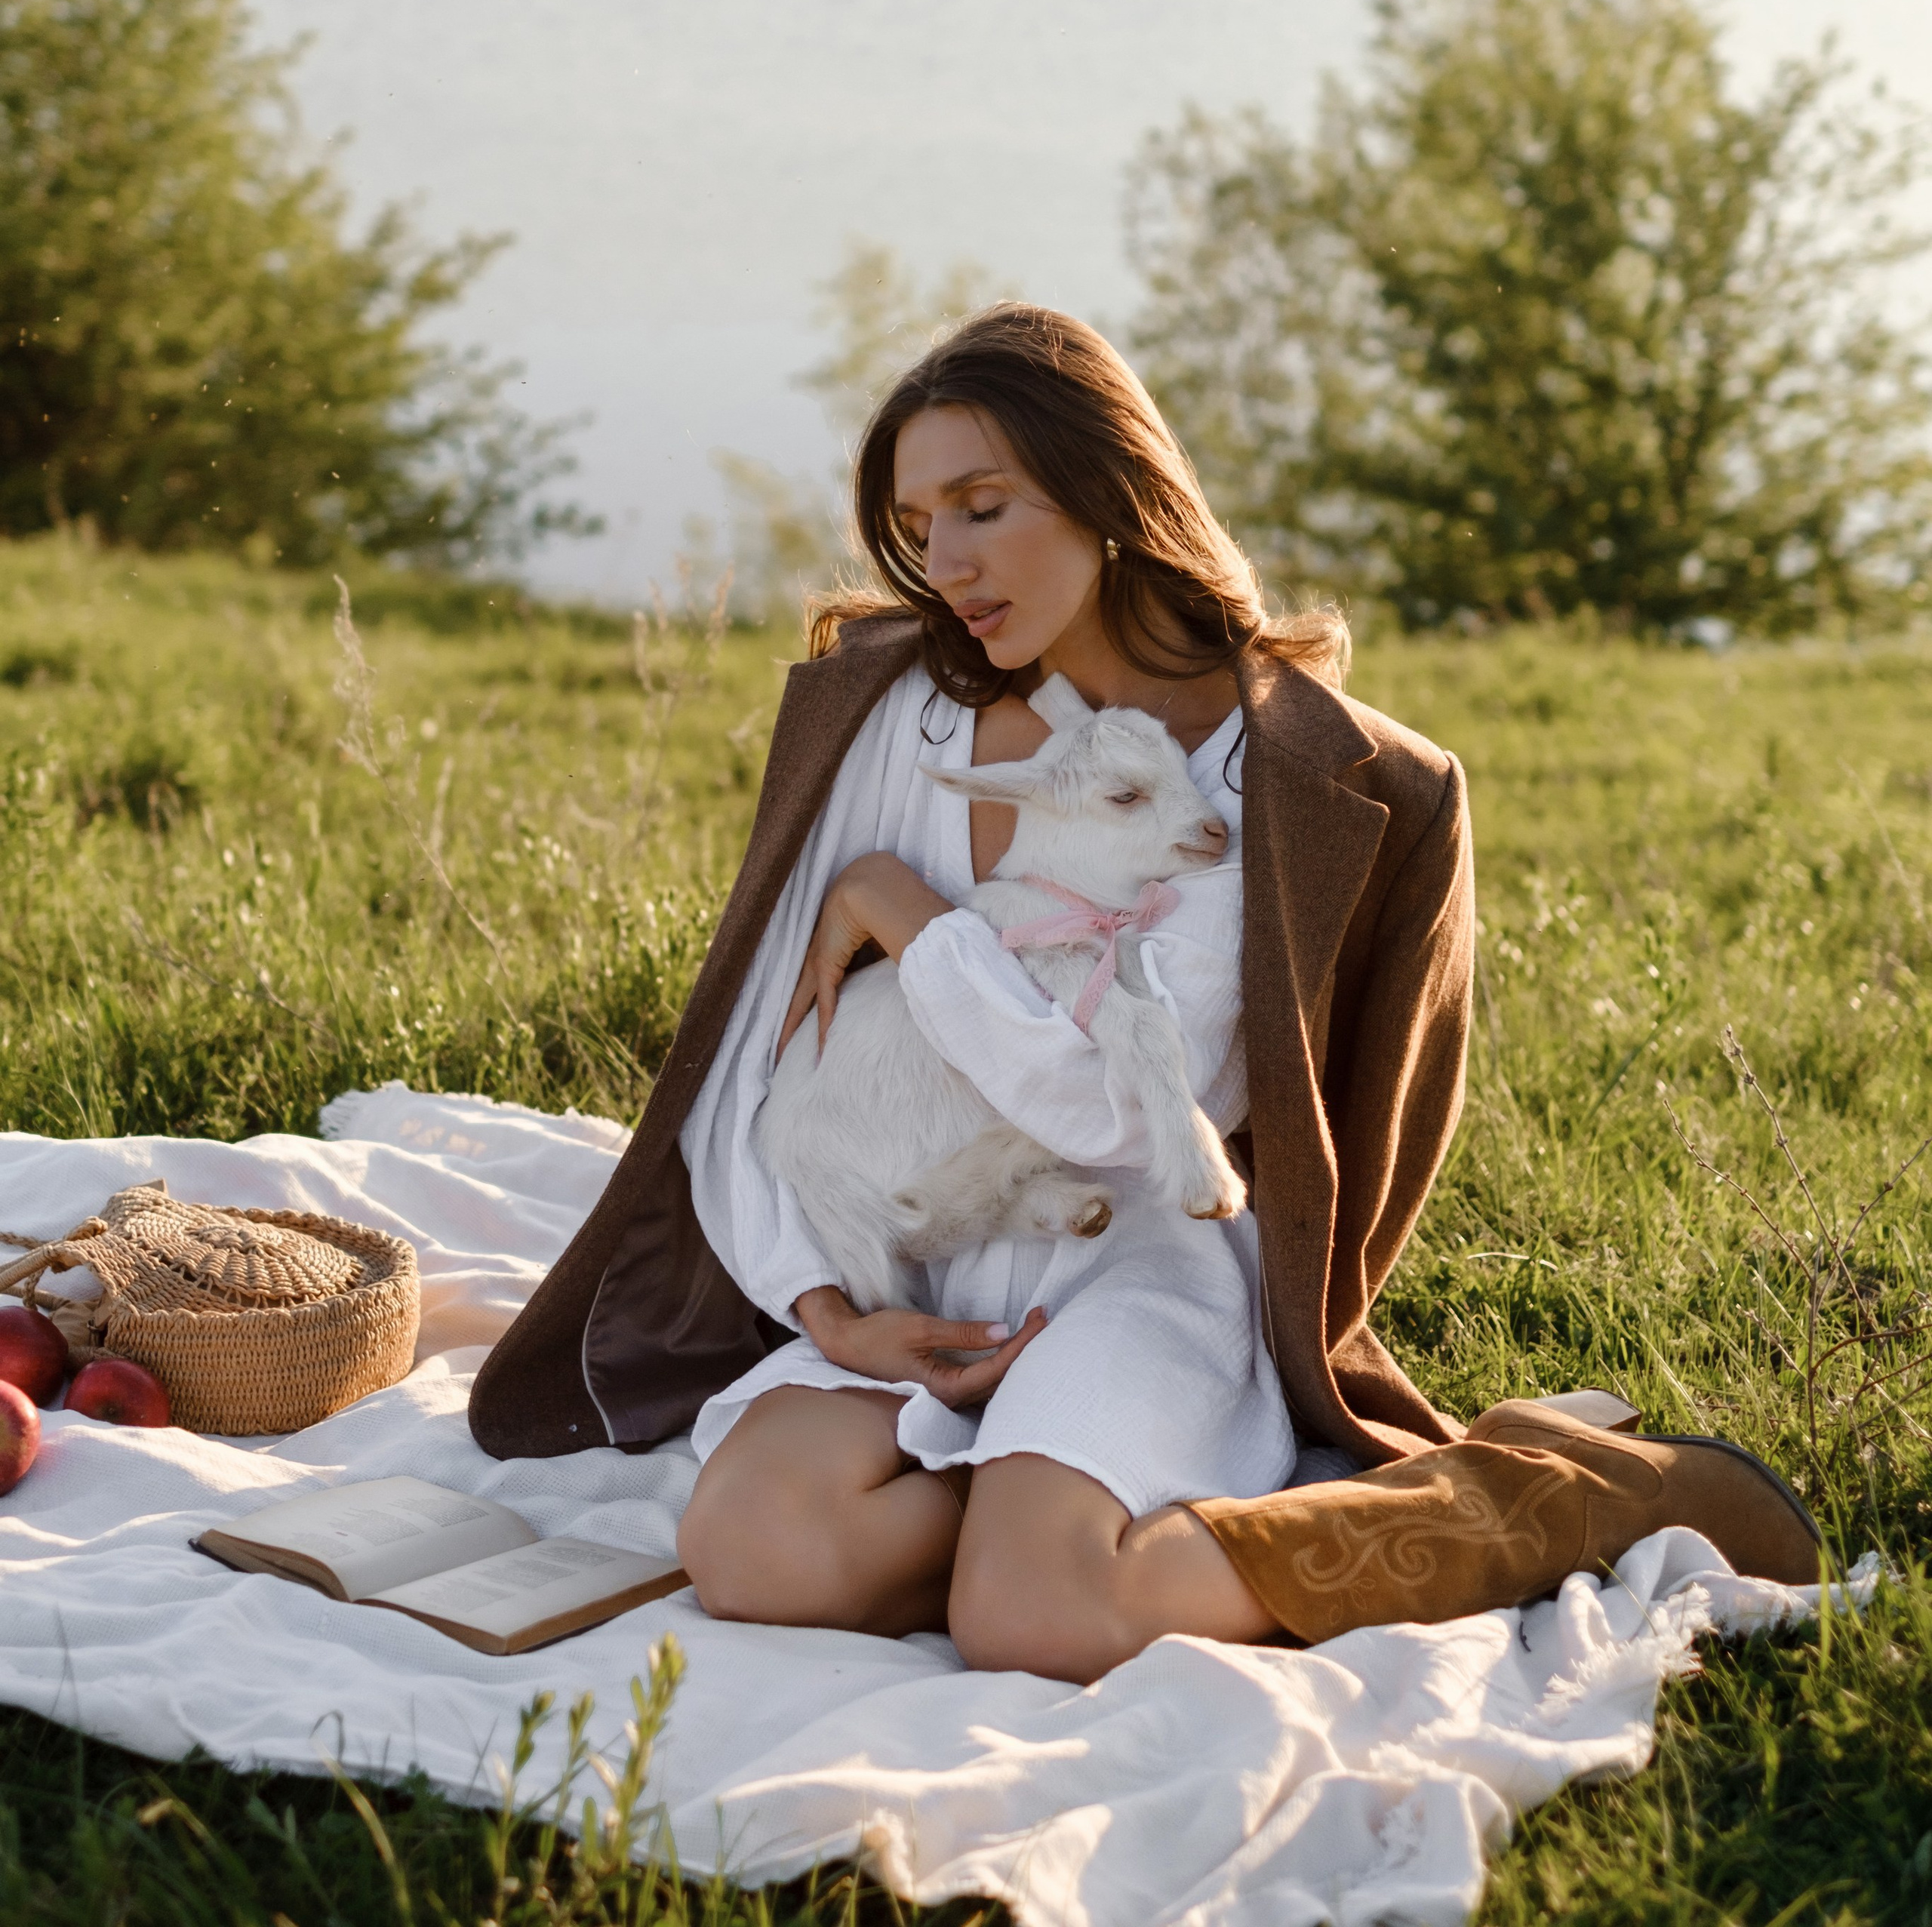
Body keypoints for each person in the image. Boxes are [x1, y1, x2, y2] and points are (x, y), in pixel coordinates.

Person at [469, 306, 1819, 1679]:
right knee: (756, 1554)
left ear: (1110, 494)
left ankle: (1544, 1492)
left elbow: (1122, 1114)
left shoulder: (1275, 785)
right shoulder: (895, 717)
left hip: (1132, 1256)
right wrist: (829, 1313)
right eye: (921, 522)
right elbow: (751, 1069)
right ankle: (1049, 1511)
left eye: (985, 507)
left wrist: (910, 914)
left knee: (1038, 1619)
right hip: (919, 1264)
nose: (948, 564)